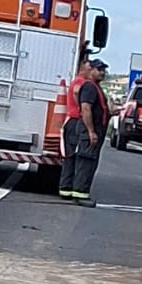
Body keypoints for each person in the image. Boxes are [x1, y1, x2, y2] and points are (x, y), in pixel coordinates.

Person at [71, 58, 109, 208]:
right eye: (99, 69)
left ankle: (82, 192)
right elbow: (86, 109)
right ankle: (80, 193)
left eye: (103, 70)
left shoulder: (96, 87)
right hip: (89, 130)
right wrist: (91, 131)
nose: (102, 73)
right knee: (86, 161)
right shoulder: (89, 87)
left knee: (90, 162)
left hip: (96, 129)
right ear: (91, 70)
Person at [59, 57, 91, 200]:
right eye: (89, 68)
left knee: (71, 155)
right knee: (73, 156)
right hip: (75, 120)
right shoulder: (80, 82)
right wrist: (82, 106)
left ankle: (66, 188)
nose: (91, 71)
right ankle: (67, 188)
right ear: (82, 68)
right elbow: (77, 92)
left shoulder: (79, 81)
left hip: (73, 121)